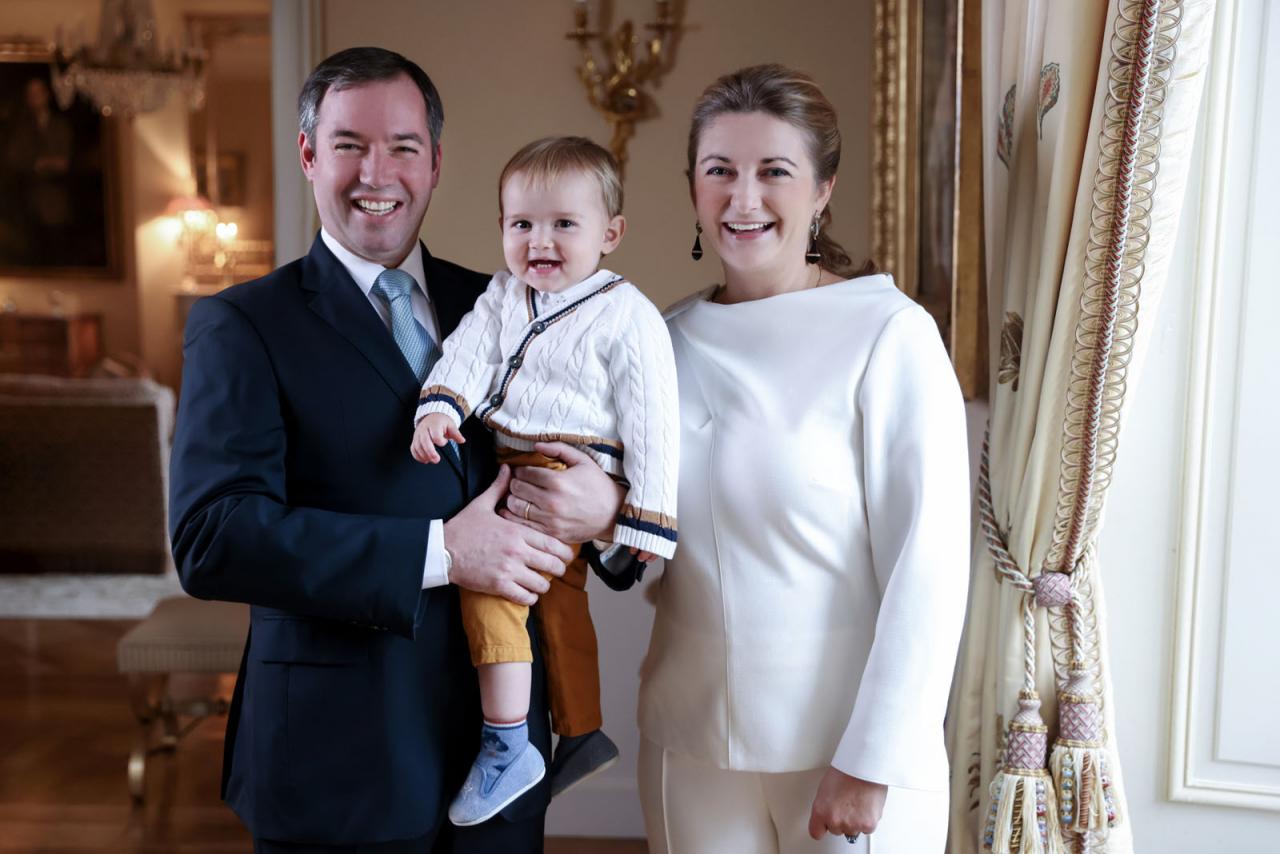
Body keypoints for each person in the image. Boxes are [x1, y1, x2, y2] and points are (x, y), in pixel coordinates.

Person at [168, 47, 617, 853]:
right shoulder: (242, 326)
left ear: (437, 162)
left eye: (404, 147)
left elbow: (589, 443)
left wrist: (609, 509)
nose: (378, 172)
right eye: (349, 145)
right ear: (309, 154)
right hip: (334, 763)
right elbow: (213, 539)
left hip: (504, 759)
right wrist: (440, 552)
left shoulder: (510, 301)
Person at [542, 64, 969, 851]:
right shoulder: (659, 342)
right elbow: (648, 547)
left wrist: (874, 757)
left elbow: (930, 566)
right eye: (720, 171)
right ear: (694, 189)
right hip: (689, 743)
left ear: (823, 187)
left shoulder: (887, 334)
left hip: (844, 749)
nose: (743, 199)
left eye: (774, 171)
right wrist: (606, 517)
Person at [411, 136, 679, 826]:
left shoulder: (627, 313)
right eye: (521, 224)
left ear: (611, 233)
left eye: (565, 224)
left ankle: (507, 744)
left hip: (570, 464)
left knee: (493, 588)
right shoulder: (506, 294)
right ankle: (582, 728)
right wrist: (441, 404)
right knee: (556, 604)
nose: (540, 241)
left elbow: (653, 418)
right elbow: (467, 352)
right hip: (509, 458)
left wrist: (644, 517)